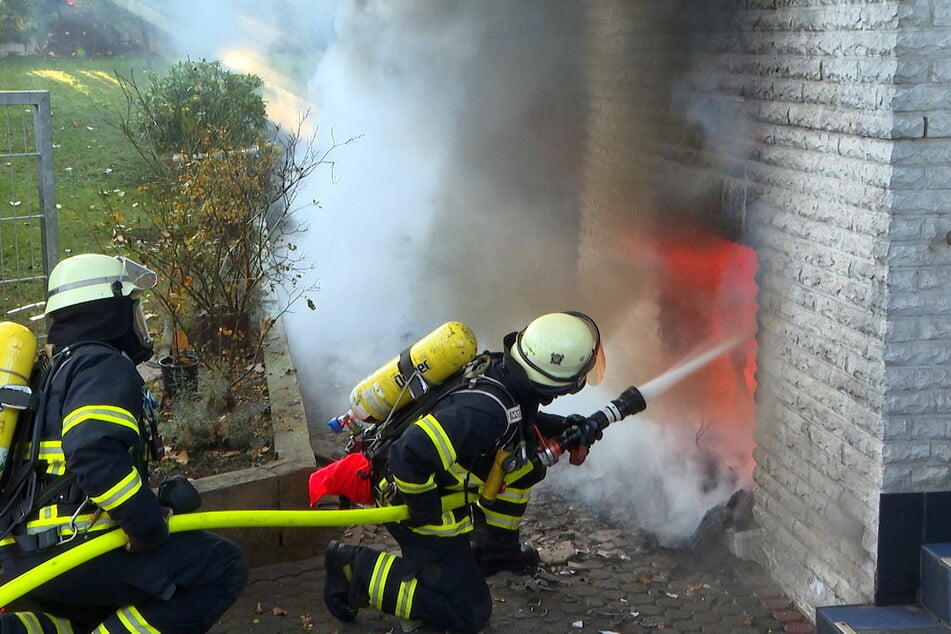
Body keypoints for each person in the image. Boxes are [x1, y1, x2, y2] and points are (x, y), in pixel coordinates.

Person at [323, 311, 643, 633]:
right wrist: (423, 510)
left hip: (424, 477)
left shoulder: (503, 374)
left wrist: (563, 426)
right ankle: (354, 570)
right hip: (409, 493)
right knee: (468, 612)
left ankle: (496, 550)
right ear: (561, 385)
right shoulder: (487, 413)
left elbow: (516, 423)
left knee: (524, 468)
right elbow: (409, 453)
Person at [0, 253, 248, 633]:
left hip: (24, 559)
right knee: (220, 566)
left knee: (87, 618)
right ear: (106, 310)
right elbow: (93, 453)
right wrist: (146, 524)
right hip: (75, 552)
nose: (137, 323)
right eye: (130, 308)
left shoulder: (52, 372)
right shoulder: (101, 364)